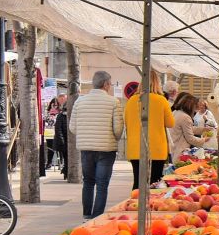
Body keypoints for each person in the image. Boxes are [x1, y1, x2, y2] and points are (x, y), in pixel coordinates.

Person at [68, 70, 123, 218]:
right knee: (102, 185)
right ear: (105, 84)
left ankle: (86, 215)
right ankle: (97, 216)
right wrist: (114, 138)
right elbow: (118, 129)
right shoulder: (114, 102)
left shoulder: (79, 102)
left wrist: (85, 135)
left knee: (88, 182)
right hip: (106, 149)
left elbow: (72, 128)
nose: (110, 86)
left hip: (86, 149)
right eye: (110, 83)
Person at [124, 81, 174, 190]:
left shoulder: (131, 100)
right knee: (154, 183)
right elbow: (170, 123)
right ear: (157, 84)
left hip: (136, 148)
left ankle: (135, 201)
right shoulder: (161, 100)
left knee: (138, 183)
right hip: (156, 149)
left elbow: (126, 122)